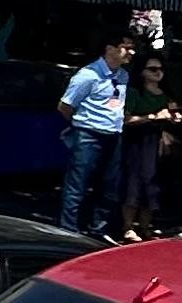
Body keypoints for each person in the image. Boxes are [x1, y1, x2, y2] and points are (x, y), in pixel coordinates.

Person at [58, 30, 135, 237]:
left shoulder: (123, 75)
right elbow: (65, 106)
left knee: (110, 185)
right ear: (110, 49)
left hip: (113, 135)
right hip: (88, 134)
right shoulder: (88, 75)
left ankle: (98, 229)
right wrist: (80, 124)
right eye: (126, 47)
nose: (131, 52)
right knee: (78, 185)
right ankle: (68, 231)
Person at [116, 51, 182, 238]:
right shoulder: (134, 93)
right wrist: (152, 117)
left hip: (157, 144)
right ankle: (128, 226)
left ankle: (146, 226)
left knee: (152, 184)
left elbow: (175, 110)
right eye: (153, 69)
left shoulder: (167, 93)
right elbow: (125, 119)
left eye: (161, 69)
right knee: (133, 182)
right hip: (136, 142)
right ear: (142, 71)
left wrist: (174, 117)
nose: (158, 73)